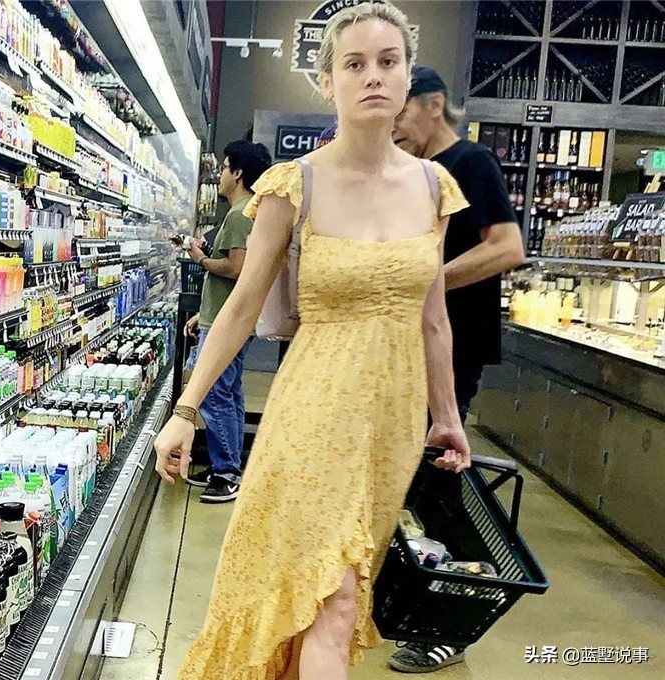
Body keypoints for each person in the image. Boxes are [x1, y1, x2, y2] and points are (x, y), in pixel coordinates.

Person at [155, 3, 470, 678]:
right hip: (315, 409)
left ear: (408, 75)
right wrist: (186, 410)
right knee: (333, 597)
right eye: (354, 64)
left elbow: (433, 317)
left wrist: (446, 416)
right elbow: (241, 306)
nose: (373, 76)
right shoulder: (293, 185)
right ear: (327, 81)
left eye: (388, 61)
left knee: (335, 595)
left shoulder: (434, 187)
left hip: (392, 421)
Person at [388, 66, 525, 674]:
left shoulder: (470, 163)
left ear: (433, 104)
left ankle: (454, 620)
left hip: (454, 348)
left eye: (401, 111)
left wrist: (428, 282)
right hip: (408, 351)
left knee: (437, 484)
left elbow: (508, 247)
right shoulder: (415, 175)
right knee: (408, 483)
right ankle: (414, 599)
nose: (393, 125)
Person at [183, 139, 272, 503]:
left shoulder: (239, 214)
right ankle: (227, 464)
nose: (219, 175)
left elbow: (236, 268)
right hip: (221, 316)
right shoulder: (247, 212)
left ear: (237, 172)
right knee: (229, 393)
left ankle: (226, 473)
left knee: (213, 394)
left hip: (225, 322)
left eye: (223, 167)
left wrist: (200, 259)